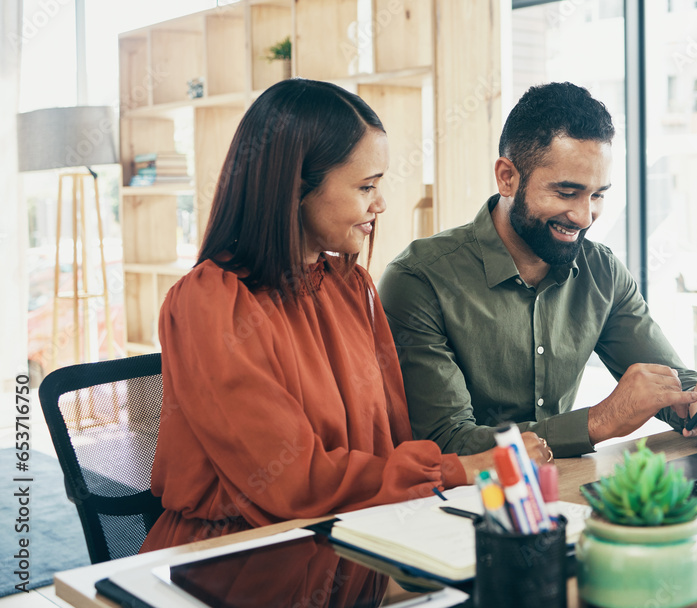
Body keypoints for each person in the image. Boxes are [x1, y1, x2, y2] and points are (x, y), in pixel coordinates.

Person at [141, 79, 550, 553]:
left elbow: (392, 442)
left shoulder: (352, 287)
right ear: (296, 187)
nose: (380, 204)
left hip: (354, 541)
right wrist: (465, 468)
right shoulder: (209, 302)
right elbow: (292, 482)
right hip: (242, 559)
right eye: (366, 186)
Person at [378, 82, 697, 458]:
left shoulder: (602, 271)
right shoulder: (419, 279)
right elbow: (448, 441)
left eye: (598, 195)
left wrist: (695, 400)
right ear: (507, 177)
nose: (584, 216)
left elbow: (668, 380)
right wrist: (598, 421)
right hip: (461, 504)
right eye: (566, 193)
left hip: (564, 491)